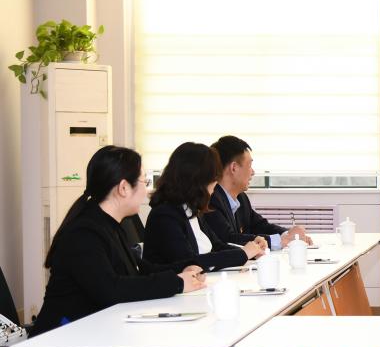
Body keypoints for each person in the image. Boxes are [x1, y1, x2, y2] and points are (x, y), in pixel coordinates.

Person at [35, 146, 206, 335]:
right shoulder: (83, 233)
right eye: (144, 182)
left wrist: (183, 271)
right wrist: (177, 283)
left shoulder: (110, 225)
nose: (146, 190)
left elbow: (139, 269)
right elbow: (112, 290)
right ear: (123, 188)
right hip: (61, 338)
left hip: (94, 330)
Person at [144, 142, 261, 270]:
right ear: (198, 179)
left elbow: (217, 245)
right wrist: (243, 254)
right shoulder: (165, 215)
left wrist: (249, 252)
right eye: (214, 177)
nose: (216, 183)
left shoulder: (191, 209)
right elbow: (189, 262)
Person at [205, 135, 312, 249]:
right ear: (234, 168)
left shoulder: (241, 197)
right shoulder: (211, 199)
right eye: (249, 165)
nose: (253, 172)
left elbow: (260, 225)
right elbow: (228, 239)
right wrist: (279, 241)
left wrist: (288, 235)